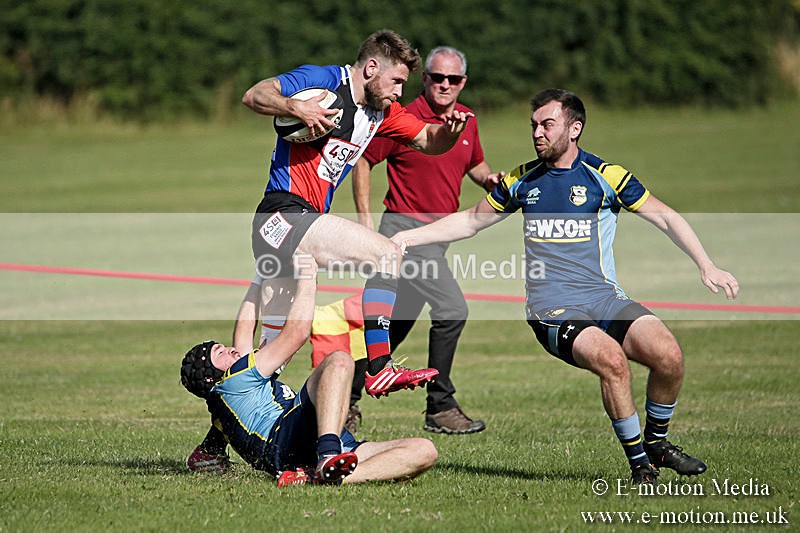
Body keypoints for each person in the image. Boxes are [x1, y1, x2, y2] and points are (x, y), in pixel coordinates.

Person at [389, 89, 739, 484]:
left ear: (575, 128)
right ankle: (640, 464)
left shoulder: (606, 176)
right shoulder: (522, 179)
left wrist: (705, 264)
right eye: (534, 125)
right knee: (612, 360)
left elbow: (665, 217)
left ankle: (657, 444)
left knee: (669, 355)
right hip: (551, 309)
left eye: (547, 125)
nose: (537, 133)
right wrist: (406, 238)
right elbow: (470, 220)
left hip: (604, 298)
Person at [242, 29, 475, 399]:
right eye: (397, 81)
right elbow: (255, 94)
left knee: (277, 350)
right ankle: (379, 367)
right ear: (370, 68)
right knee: (386, 252)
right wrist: (296, 107)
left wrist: (449, 132)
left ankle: (212, 447)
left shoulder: (381, 112)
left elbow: (429, 141)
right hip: (282, 214)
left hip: (298, 230)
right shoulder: (323, 80)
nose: (400, 91)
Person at [351, 46, 498, 434]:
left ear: (464, 82)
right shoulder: (404, 119)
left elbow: (473, 163)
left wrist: (490, 180)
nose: (445, 84)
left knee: (391, 330)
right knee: (452, 310)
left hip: (438, 236)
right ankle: (440, 405)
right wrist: (365, 222)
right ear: (425, 79)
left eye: (454, 79)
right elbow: (364, 159)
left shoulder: (467, 120)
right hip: (404, 234)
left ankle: (339, 397)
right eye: (437, 77)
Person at [181, 262, 438, 485]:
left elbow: (244, 332)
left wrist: (260, 276)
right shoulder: (232, 383)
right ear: (210, 376)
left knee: (424, 451)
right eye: (221, 352)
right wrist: (308, 275)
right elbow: (297, 333)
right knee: (339, 361)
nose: (231, 350)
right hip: (285, 441)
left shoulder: (228, 399)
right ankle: (328, 454)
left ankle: (325, 476)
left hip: (296, 452)